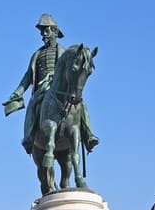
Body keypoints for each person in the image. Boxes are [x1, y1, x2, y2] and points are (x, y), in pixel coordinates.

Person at [5, 13, 99, 155]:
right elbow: (28, 76)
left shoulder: (65, 52)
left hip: (62, 87)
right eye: (42, 31)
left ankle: (89, 135)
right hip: (43, 88)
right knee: (32, 103)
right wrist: (18, 92)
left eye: (46, 30)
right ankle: (29, 136)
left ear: (55, 31)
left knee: (81, 104)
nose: (43, 34)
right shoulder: (37, 54)